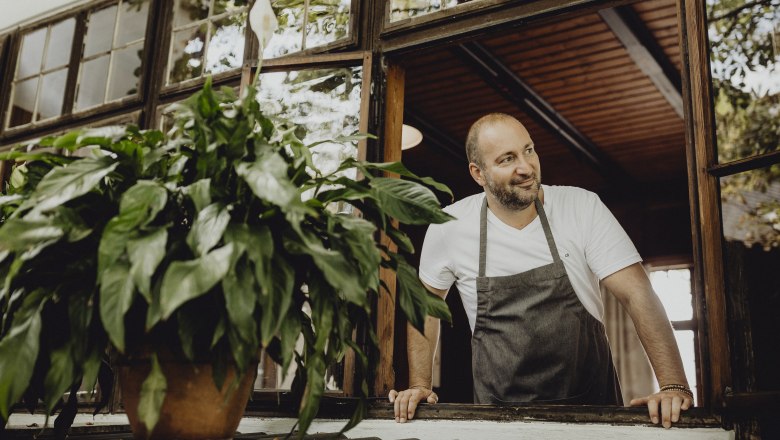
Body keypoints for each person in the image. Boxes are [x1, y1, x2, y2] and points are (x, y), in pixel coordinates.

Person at [388, 113, 693, 428]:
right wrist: (420, 384)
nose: (526, 167)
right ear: (478, 174)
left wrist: (672, 384)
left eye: (528, 150)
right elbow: (425, 306)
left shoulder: (581, 207)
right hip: (497, 423)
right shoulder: (450, 226)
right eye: (508, 159)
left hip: (592, 420)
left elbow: (637, 293)